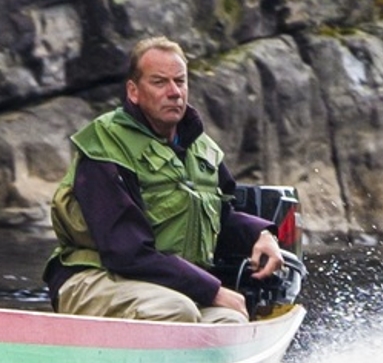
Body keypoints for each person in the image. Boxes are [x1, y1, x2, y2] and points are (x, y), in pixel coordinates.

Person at [45, 38, 281, 322]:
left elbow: (221, 217)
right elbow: (126, 252)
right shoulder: (105, 148)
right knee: (176, 311)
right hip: (95, 278)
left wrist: (263, 235)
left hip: (169, 285)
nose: (174, 92)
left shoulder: (203, 150)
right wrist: (213, 290)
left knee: (230, 322)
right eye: (159, 82)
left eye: (180, 82)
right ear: (133, 91)